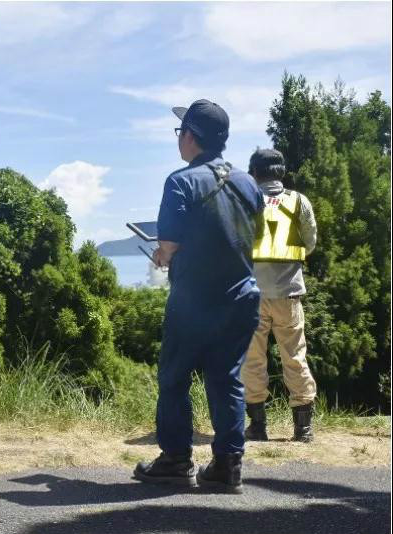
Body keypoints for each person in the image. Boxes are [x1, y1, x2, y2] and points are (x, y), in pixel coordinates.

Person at [132, 99, 264, 494]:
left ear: (190, 136)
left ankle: (175, 460)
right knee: (226, 378)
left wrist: (161, 254)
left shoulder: (181, 181)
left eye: (180, 133)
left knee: (174, 378)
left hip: (194, 299)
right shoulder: (247, 183)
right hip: (242, 297)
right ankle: (227, 466)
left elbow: (169, 243)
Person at [241, 148, 317, 443]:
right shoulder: (299, 202)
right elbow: (309, 243)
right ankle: (303, 428)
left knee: (253, 360)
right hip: (289, 293)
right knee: (295, 356)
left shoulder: (246, 201)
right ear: (281, 172)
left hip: (252, 295)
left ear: (254, 173)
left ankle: (257, 427)